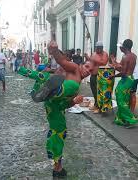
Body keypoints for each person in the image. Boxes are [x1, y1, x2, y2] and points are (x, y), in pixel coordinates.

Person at [18, 41, 93, 177]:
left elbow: (65, 105)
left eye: (90, 71)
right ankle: (57, 167)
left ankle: (57, 165)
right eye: (87, 67)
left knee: (59, 131)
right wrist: (55, 50)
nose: (88, 71)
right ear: (82, 65)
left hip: (54, 106)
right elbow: (62, 61)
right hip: (54, 98)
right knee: (59, 131)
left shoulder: (77, 84)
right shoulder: (75, 68)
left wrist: (73, 101)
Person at [110, 39, 138, 127]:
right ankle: (120, 119)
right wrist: (114, 62)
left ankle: (131, 119)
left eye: (121, 47)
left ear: (124, 47)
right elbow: (122, 67)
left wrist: (113, 75)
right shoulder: (133, 56)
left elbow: (123, 71)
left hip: (126, 79)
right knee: (125, 99)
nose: (120, 48)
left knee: (120, 98)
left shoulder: (125, 57)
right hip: (130, 79)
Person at [85, 41, 109, 113]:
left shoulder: (104, 54)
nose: (97, 50)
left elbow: (104, 62)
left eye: (99, 48)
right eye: (96, 48)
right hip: (93, 75)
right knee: (94, 91)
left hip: (100, 76)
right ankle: (96, 104)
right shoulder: (94, 54)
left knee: (100, 92)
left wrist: (92, 59)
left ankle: (100, 107)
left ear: (101, 48)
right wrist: (88, 61)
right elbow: (91, 62)